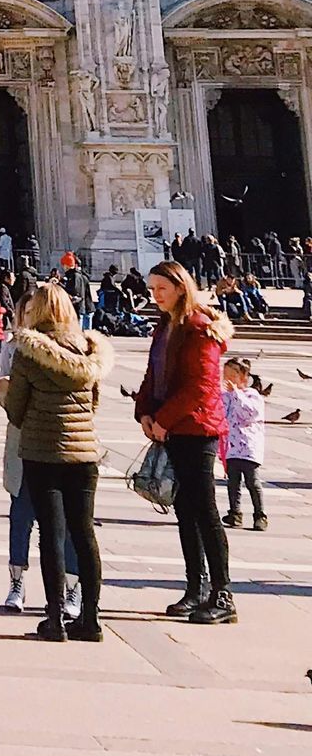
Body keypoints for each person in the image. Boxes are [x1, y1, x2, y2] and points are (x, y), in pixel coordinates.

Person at [0, 280, 106, 640]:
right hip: (84, 455)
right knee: (84, 533)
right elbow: (93, 403)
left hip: (44, 452)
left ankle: (55, 619)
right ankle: (90, 618)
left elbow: (16, 410)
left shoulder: (29, 352)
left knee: (51, 535)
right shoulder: (89, 349)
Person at [133, 260, 235, 624]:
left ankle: (223, 594)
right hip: (173, 428)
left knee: (204, 510)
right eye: (152, 289)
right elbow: (153, 374)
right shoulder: (166, 325)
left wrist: (163, 419)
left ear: (180, 288)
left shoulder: (198, 329)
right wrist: (144, 412)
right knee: (185, 511)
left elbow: (201, 387)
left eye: (161, 288)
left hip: (197, 429)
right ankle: (197, 587)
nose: (155, 295)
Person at [222, 355, 268, 530]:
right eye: (225, 376)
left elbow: (249, 413)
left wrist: (237, 395)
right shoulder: (225, 396)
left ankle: (260, 514)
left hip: (249, 447)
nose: (228, 381)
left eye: (232, 377)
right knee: (233, 482)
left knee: (252, 482)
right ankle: (235, 512)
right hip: (232, 448)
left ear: (244, 378)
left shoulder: (252, 395)